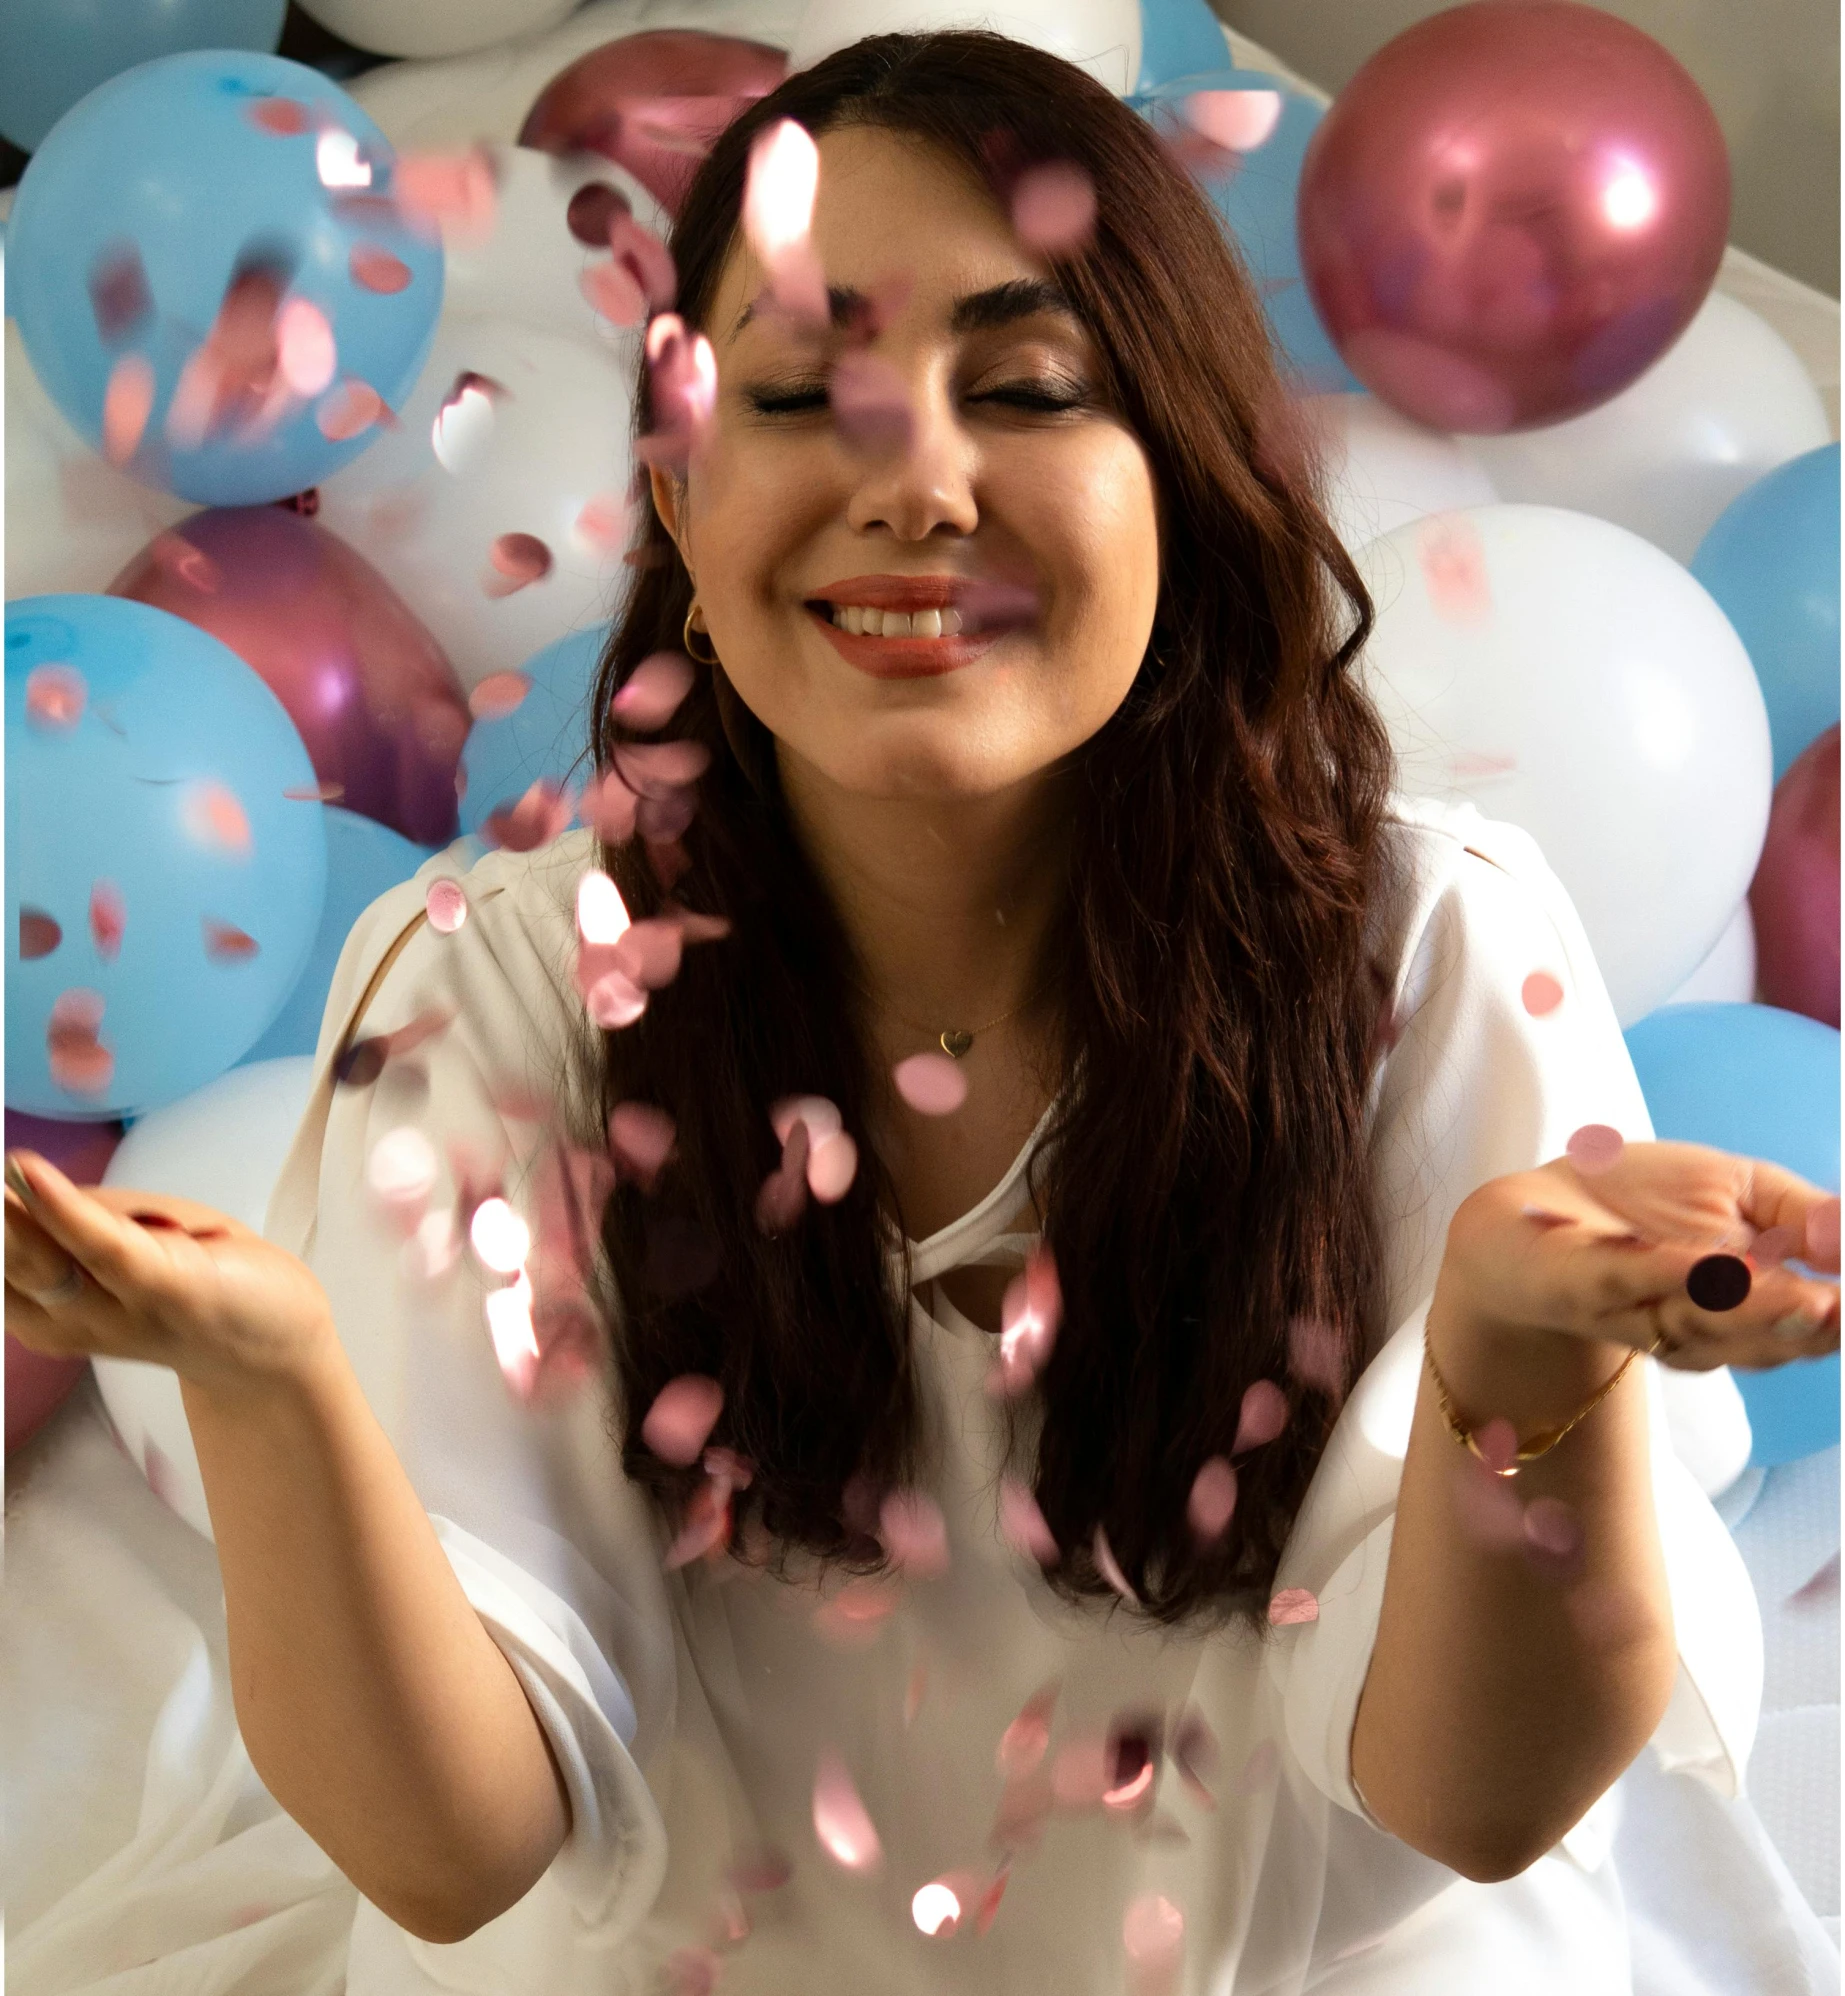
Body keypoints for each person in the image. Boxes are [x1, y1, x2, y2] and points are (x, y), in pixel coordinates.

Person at [5, 31, 1838, 1996]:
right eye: (797, 391)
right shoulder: (499, 994)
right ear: (683, 520)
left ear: (1186, 487)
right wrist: (278, 1387)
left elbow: (1466, 1805)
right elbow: (461, 1853)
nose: (914, 481)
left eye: (1027, 382)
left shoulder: (1424, 953)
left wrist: (1513, 1368)